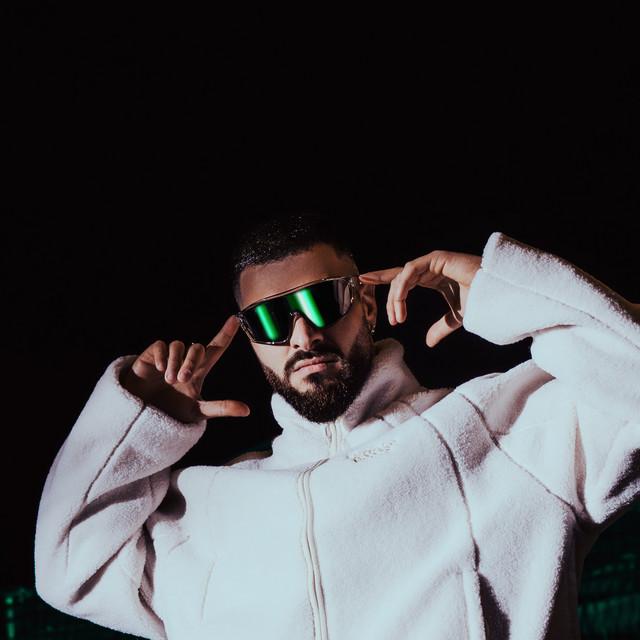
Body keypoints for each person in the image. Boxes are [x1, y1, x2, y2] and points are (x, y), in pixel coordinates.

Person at [34, 213, 639, 640]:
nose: (303, 335)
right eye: (270, 320)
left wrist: (498, 290)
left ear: (367, 304)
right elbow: (66, 569)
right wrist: (142, 425)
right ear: (251, 341)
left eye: (323, 301)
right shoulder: (212, 509)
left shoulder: (501, 433)